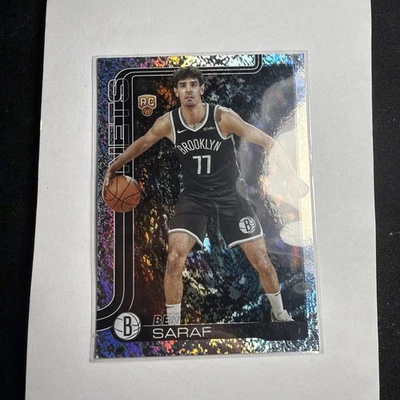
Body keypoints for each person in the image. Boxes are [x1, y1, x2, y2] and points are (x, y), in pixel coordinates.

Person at [104, 66, 309, 324]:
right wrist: (114, 166)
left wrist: (291, 177)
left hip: (230, 196)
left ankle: (279, 314)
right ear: (176, 92)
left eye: (193, 84)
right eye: (183, 85)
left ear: (201, 89)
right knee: (174, 258)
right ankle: (173, 324)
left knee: (262, 260)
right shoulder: (168, 123)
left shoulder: (223, 118)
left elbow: (269, 141)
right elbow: (143, 143)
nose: (188, 89)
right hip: (194, 197)